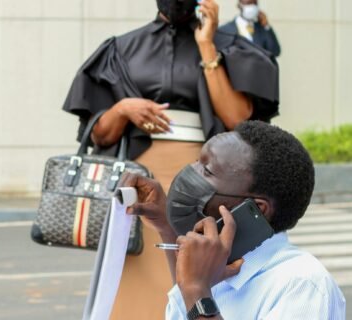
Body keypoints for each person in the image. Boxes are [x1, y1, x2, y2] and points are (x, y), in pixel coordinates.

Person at [61, 0, 278, 318]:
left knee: (201, 266)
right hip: (139, 182)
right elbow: (100, 136)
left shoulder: (229, 47)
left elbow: (236, 119)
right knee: (135, 271)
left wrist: (206, 46)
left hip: (206, 184)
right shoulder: (121, 49)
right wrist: (123, 109)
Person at [120, 121, 346, 319]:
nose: (190, 172)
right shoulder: (214, 265)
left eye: (207, 171)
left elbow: (196, 300)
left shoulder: (301, 284)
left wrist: (197, 291)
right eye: (197, 161)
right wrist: (167, 225)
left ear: (255, 208)